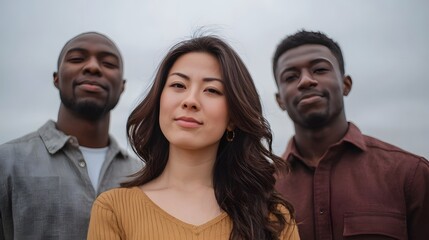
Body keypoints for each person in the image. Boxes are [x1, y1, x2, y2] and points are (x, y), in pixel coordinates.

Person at [87, 35, 300, 240]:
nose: (190, 100)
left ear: (233, 118)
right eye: (178, 85)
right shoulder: (113, 209)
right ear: (159, 101)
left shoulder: (272, 216)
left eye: (212, 90)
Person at [272, 29, 429, 240]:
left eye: (319, 69)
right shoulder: (262, 189)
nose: (306, 81)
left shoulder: (410, 174)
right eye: (291, 77)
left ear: (346, 85)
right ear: (280, 100)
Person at [0, 32, 142, 240]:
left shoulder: (141, 175)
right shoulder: (7, 162)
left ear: (122, 86)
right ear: (57, 78)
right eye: (76, 59)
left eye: (109, 63)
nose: (93, 67)